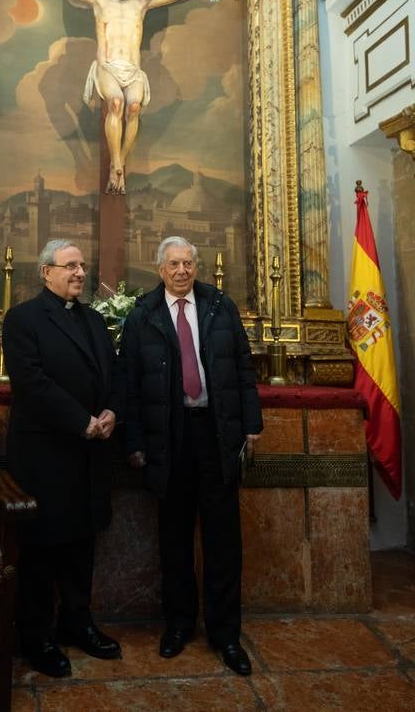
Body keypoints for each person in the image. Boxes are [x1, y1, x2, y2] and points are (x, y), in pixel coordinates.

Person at [120, 236, 262, 675]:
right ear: (159, 269)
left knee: (223, 540)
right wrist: (135, 443)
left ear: (196, 267)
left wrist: (251, 424)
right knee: (175, 539)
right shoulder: (142, 314)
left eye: (188, 263)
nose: (182, 270)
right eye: (174, 264)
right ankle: (179, 624)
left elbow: (242, 366)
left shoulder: (221, 306)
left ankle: (226, 634)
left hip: (216, 434)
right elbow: (128, 385)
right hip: (170, 437)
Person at [2, 0, 210, 195]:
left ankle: (118, 163)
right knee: (116, 103)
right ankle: (117, 163)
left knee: (134, 108)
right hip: (107, 66)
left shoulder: (144, 0)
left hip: (133, 69)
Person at [2, 238, 121, 677]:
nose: (79, 273)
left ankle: (77, 623)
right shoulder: (23, 319)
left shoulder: (93, 319)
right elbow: (32, 384)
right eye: (70, 266)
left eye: (83, 266)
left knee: (80, 544)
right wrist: (81, 420)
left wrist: (111, 411)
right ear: (46, 272)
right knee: (42, 549)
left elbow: (113, 373)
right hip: (45, 455)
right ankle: (35, 635)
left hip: (89, 455)